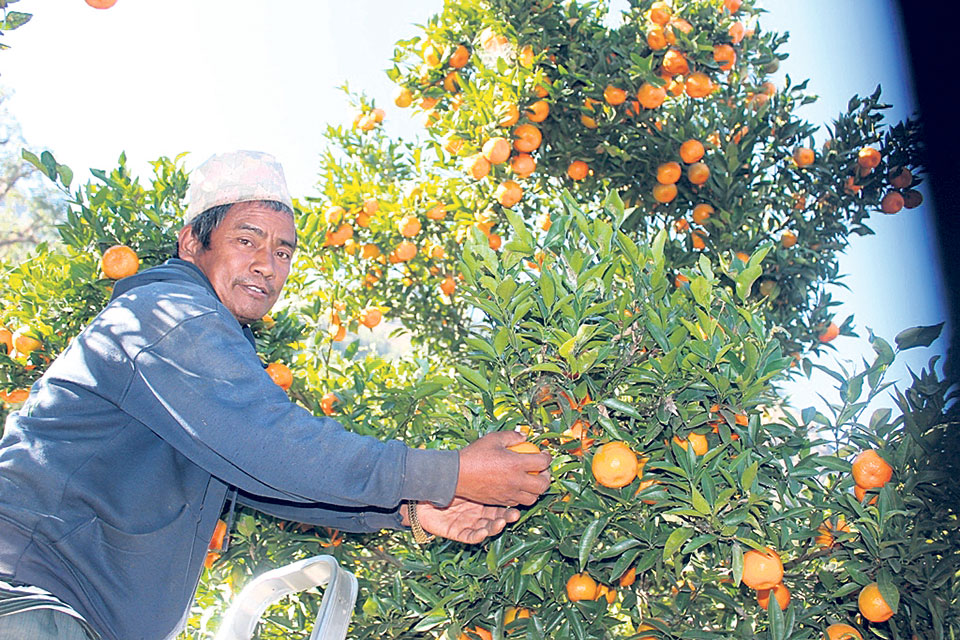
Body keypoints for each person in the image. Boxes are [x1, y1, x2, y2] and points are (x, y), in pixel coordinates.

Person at [0, 150, 552, 640]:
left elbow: (262, 478)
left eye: (284, 252)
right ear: (193, 241)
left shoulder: (199, 348)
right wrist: (448, 474)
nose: (268, 264)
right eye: (247, 240)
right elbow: (274, 445)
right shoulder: (169, 316)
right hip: (28, 596)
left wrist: (411, 509)